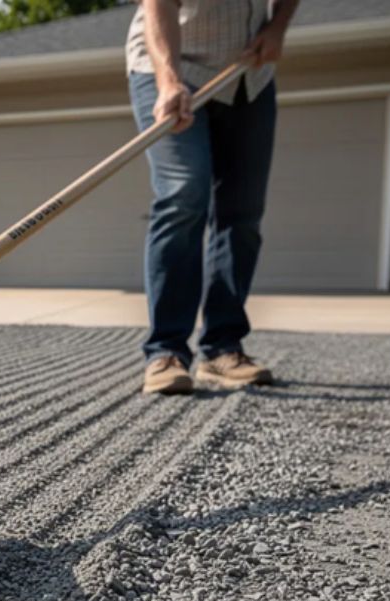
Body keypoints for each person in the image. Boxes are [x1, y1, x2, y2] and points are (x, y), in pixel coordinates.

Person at [129, 0, 299, 395]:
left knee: (243, 211)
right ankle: (166, 350)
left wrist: (277, 26)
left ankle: (222, 347)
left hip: (248, 75)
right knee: (183, 193)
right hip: (173, 67)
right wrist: (169, 81)